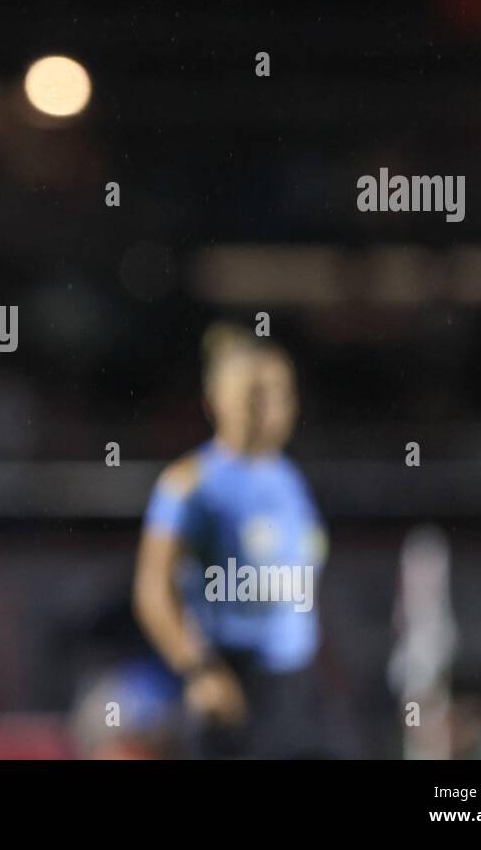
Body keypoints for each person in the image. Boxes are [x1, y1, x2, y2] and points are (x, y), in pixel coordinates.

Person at [132, 323, 333, 758]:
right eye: (253, 395)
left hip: (296, 685)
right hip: (232, 680)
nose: (267, 409)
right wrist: (199, 670)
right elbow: (152, 591)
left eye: (279, 394)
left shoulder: (291, 480)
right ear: (216, 401)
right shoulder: (190, 484)